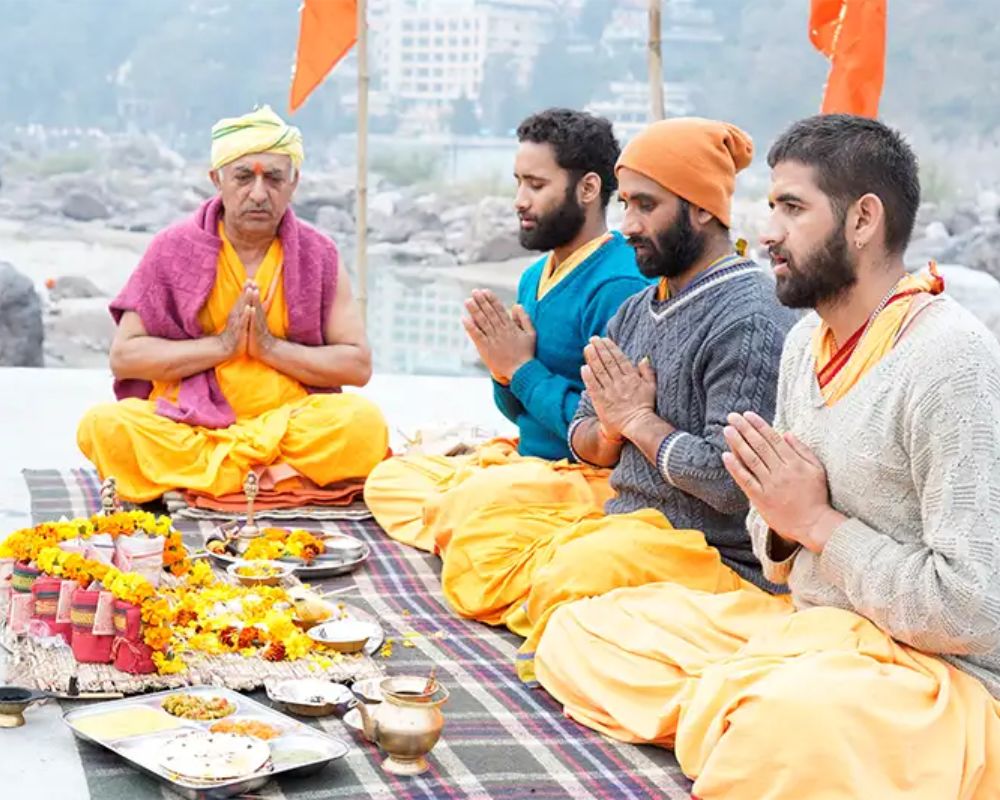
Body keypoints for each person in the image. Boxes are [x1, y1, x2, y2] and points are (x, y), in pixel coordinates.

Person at [534, 114, 1000, 800]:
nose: (768, 232)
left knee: (786, 724)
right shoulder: (804, 344)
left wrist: (816, 524)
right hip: (808, 630)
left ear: (863, 218)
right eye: (770, 206)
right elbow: (770, 539)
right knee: (581, 630)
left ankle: (751, 717)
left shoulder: (949, 362)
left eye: (791, 208)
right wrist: (784, 522)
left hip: (930, 675)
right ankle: (740, 711)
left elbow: (972, 609)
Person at [435, 118, 797, 682]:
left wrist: (638, 422)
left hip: (707, 556)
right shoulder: (636, 311)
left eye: (644, 206)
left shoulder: (747, 317)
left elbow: (731, 487)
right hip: (622, 528)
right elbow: (589, 443)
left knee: (575, 578)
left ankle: (581, 642)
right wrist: (606, 427)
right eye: (625, 203)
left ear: (702, 208)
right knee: (483, 536)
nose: (626, 225)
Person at [363, 108, 648, 551]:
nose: (519, 199)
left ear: (588, 188)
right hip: (527, 464)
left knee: (466, 506)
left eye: (536, 185)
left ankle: (481, 527)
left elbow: (607, 432)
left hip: (586, 477)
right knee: (391, 478)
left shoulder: (619, 284)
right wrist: (501, 371)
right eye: (518, 182)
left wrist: (520, 369)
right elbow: (518, 411)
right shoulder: (535, 276)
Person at [77, 106, 388, 503]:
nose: (258, 193)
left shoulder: (318, 255)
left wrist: (269, 349)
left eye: (273, 178)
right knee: (104, 426)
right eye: (243, 177)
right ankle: (268, 479)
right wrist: (222, 347)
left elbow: (356, 366)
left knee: (362, 425)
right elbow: (126, 358)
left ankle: (208, 479)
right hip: (189, 422)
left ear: (294, 183)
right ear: (217, 180)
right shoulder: (173, 249)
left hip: (286, 422)